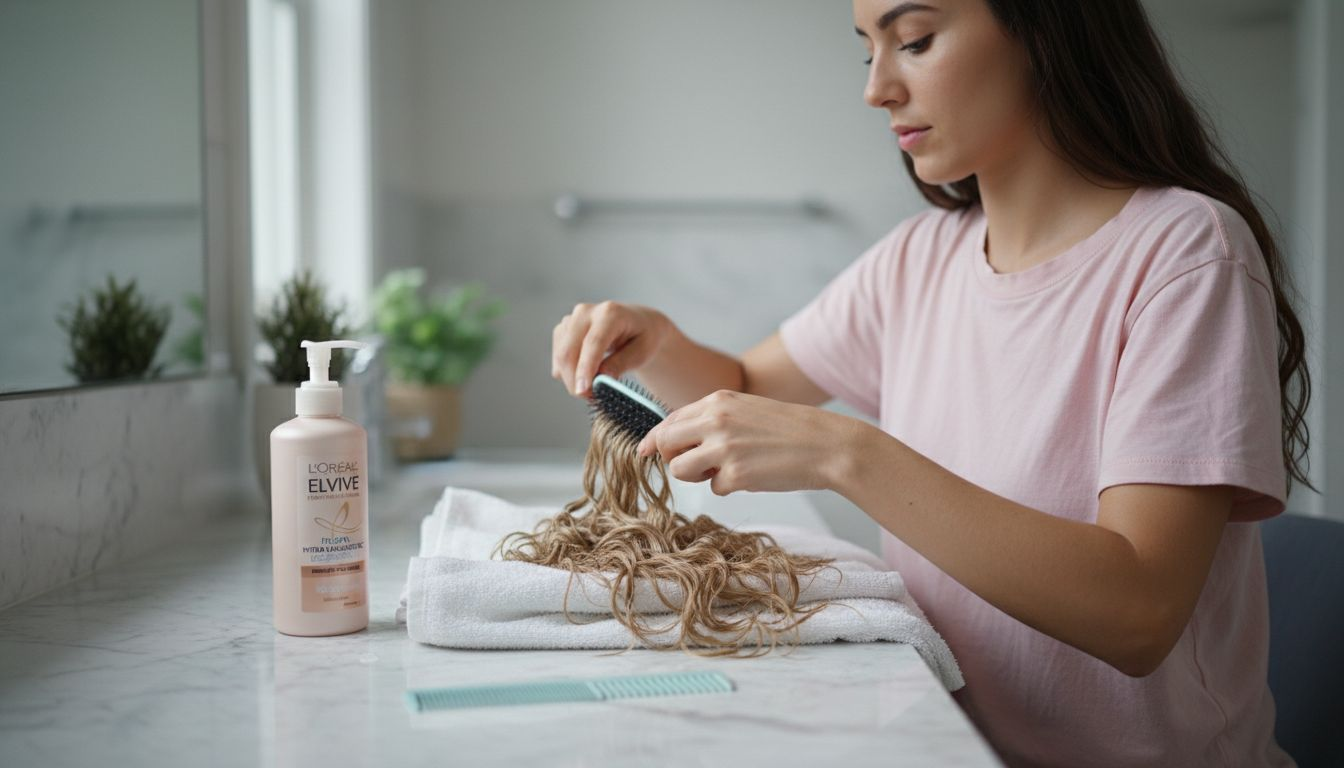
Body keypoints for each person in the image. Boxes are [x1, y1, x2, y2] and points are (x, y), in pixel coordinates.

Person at [548, 1, 1312, 765]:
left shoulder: (1186, 253)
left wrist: (848, 455)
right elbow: (750, 384)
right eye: (867, 52)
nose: (877, 89)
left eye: (913, 41)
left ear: (1048, 30)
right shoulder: (920, 257)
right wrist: (658, 341)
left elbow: (1137, 612)